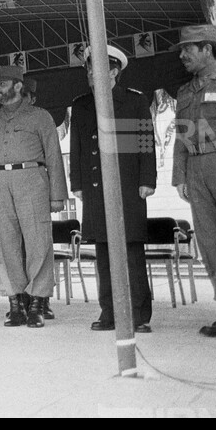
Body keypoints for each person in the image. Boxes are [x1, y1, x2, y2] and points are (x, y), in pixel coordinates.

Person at [70, 47, 156, 333]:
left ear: (114, 71)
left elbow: (145, 143)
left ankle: (138, 314)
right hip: (95, 189)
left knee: (131, 250)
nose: (90, 74)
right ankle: (109, 311)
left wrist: (147, 179)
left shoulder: (134, 102)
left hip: (128, 186)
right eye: (88, 69)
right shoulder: (82, 105)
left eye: (97, 68)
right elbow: (77, 147)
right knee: (103, 251)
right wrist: (78, 184)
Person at [171, 24, 216, 339]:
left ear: (207, 49)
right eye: (181, 49)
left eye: (189, 48)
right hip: (197, 169)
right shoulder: (185, 92)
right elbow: (181, 134)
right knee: (212, 243)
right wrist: (180, 175)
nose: (183, 55)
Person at [0, 66, 68, 329]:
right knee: (6, 244)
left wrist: (57, 195)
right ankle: (15, 303)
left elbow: (54, 157)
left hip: (32, 179)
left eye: (2, 83)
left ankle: (38, 303)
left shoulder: (40, 117)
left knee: (38, 241)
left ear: (18, 86)